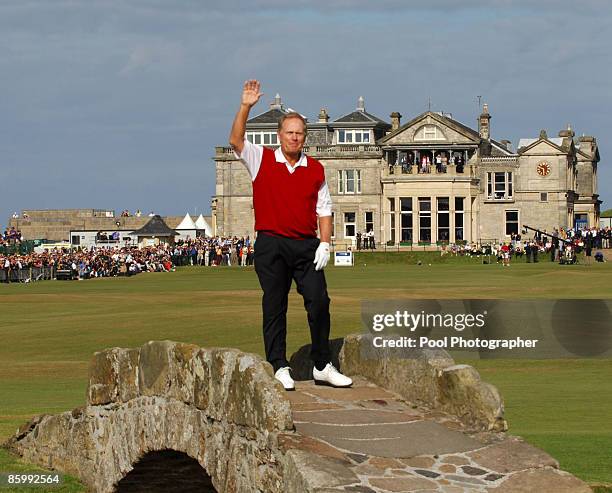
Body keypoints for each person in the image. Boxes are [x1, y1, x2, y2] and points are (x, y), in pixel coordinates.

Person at [229, 79, 352, 391]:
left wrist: (325, 243)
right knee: (274, 303)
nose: (294, 138)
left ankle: (322, 364)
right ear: (280, 135)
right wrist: (245, 106)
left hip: (306, 244)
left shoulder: (315, 169)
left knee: (319, 301)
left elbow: (324, 208)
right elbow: (235, 140)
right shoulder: (263, 159)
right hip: (271, 243)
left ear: (304, 137)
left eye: (299, 133)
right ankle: (279, 364)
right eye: (289, 133)